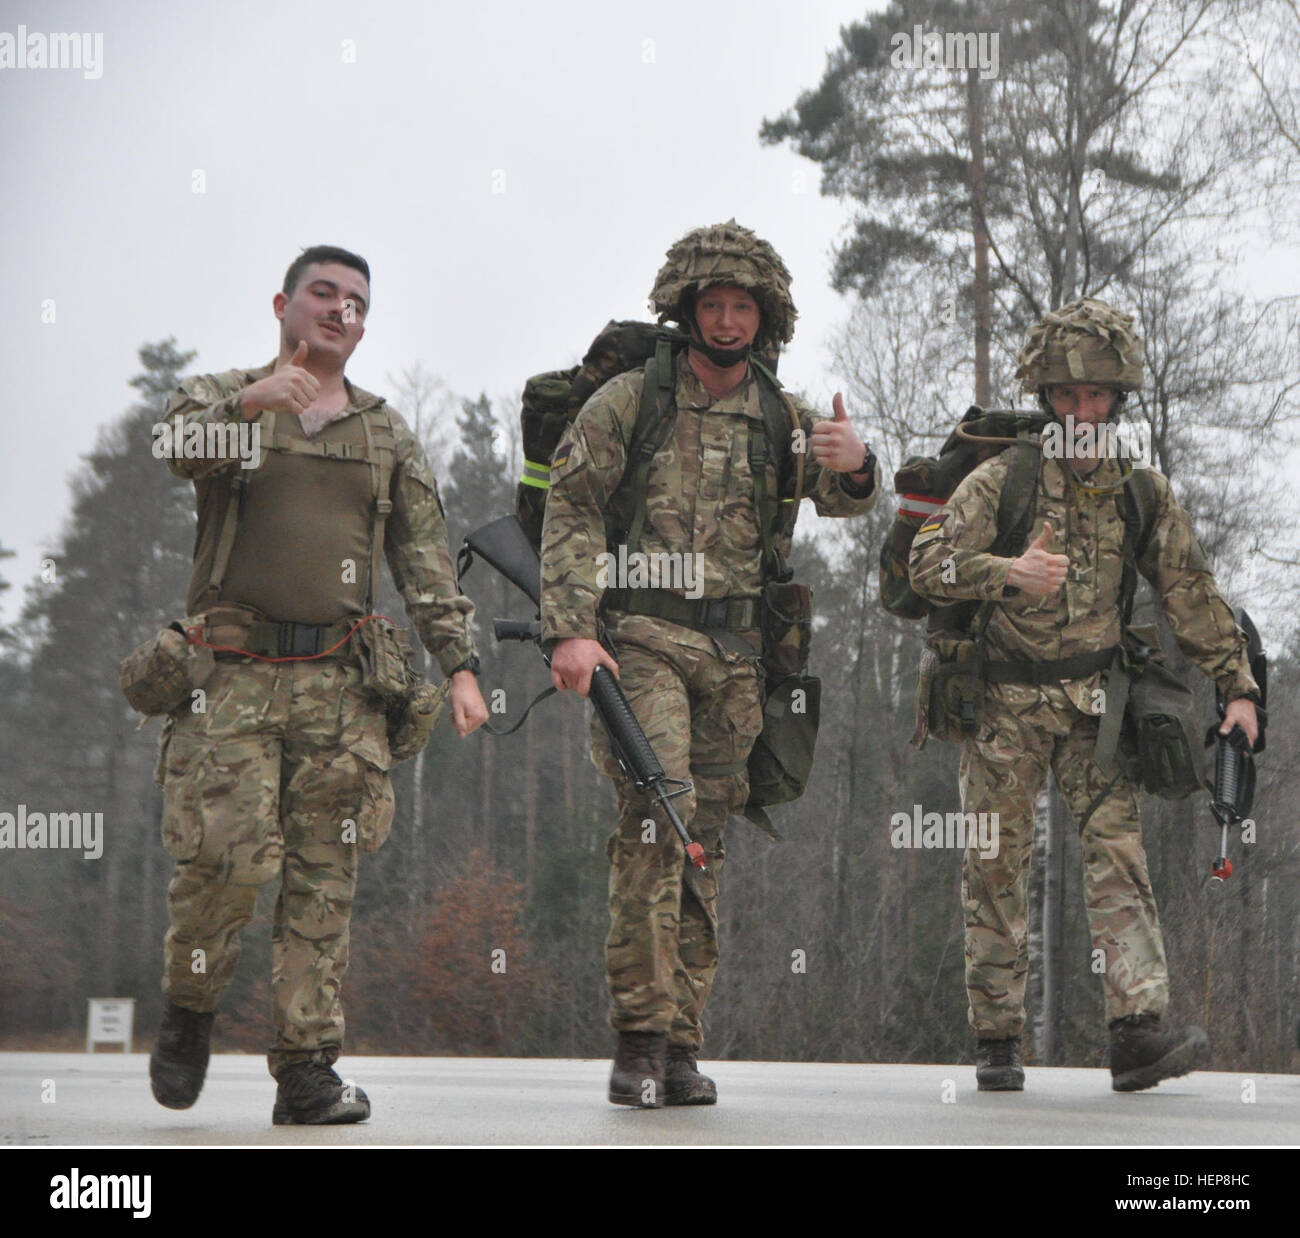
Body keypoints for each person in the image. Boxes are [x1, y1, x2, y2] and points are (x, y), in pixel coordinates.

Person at [540, 221, 880, 1106]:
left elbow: (847, 500)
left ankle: (680, 1044)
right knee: (661, 813)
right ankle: (638, 1038)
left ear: (765, 318)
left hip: (736, 659)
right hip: (641, 641)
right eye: (713, 304)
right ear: (686, 310)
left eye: (743, 306)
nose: (727, 320)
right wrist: (571, 630)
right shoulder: (630, 400)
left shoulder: (780, 412)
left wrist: (857, 465)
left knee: (704, 844)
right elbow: (571, 509)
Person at [149, 245, 488, 1124]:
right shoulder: (223, 398)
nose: (341, 311)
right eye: (324, 294)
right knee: (224, 857)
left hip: (340, 685)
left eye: (357, 303)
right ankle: (189, 1006)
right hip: (228, 677)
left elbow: (422, 560)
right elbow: (174, 449)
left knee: (324, 877)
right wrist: (250, 404)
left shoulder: (382, 433)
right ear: (284, 305)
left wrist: (460, 667)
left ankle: (307, 1068)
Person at [908, 298, 1261, 1092]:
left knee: (1118, 861)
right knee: (995, 867)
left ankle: (1137, 1031)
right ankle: (998, 1039)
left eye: (1096, 395)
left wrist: (1237, 688)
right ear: (1046, 400)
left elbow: (1190, 593)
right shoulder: (1004, 480)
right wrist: (1007, 574)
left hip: (1096, 707)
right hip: (1001, 705)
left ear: (1118, 400)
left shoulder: (1140, 493)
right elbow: (924, 569)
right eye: (1066, 396)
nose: (1081, 410)